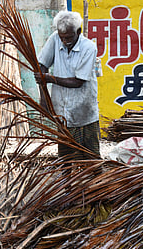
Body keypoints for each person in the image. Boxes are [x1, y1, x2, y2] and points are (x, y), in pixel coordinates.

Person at [34, 11, 100, 161]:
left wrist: (50, 79)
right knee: (65, 157)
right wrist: (44, 97)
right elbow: (42, 66)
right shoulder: (55, 38)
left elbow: (78, 81)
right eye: (62, 37)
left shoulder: (89, 48)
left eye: (69, 37)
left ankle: (94, 181)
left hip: (83, 110)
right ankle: (67, 183)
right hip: (62, 111)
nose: (64, 41)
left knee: (91, 155)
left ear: (78, 32)